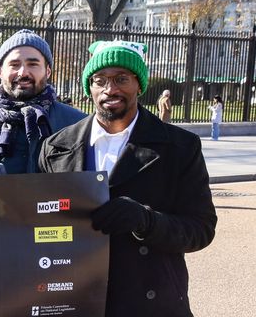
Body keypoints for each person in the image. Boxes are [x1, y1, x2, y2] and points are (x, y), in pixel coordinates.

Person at [38, 41, 216, 317]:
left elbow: (201, 229)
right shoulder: (55, 147)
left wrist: (146, 221)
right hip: (78, 299)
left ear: (139, 85)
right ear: (90, 87)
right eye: (101, 80)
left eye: (122, 79)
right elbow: (38, 226)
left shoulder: (180, 147)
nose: (111, 89)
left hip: (152, 302)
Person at [0, 29, 87, 174]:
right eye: (14, 64)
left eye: (33, 64)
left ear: (48, 71)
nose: (23, 72)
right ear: (0, 72)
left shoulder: (79, 125)